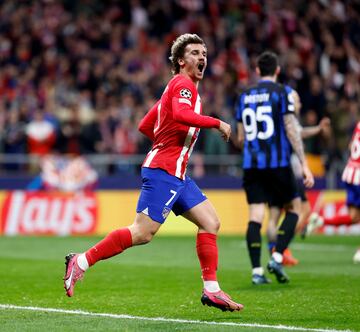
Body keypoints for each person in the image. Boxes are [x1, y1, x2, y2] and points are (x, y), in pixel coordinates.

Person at [63, 33, 243, 312]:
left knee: (210, 222)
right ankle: (82, 261)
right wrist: (217, 122)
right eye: (195, 53)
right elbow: (181, 116)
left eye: (204, 53)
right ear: (181, 61)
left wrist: (165, 139)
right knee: (143, 233)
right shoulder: (184, 85)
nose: (202, 57)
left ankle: (212, 290)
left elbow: (147, 124)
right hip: (164, 170)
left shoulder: (174, 89)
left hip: (177, 172)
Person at [235, 51, 314, 285]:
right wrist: (304, 163)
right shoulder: (283, 93)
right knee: (295, 209)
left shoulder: (244, 96)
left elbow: (240, 138)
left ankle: (257, 271)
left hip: (252, 165)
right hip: (278, 164)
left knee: (256, 216)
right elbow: (291, 129)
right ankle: (277, 256)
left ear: (257, 71)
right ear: (277, 70)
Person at [266, 87, 331, 266]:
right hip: (288, 169)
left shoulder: (280, 116)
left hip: (274, 168)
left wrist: (317, 129)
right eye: (297, 99)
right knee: (297, 210)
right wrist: (304, 166)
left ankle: (279, 249)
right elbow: (297, 135)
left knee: (288, 212)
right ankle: (280, 249)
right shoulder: (287, 116)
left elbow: (299, 132)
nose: (300, 103)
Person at [341, 121, 360, 264]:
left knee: (353, 216)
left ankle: (321, 220)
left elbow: (350, 145)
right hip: (358, 174)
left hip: (350, 172)